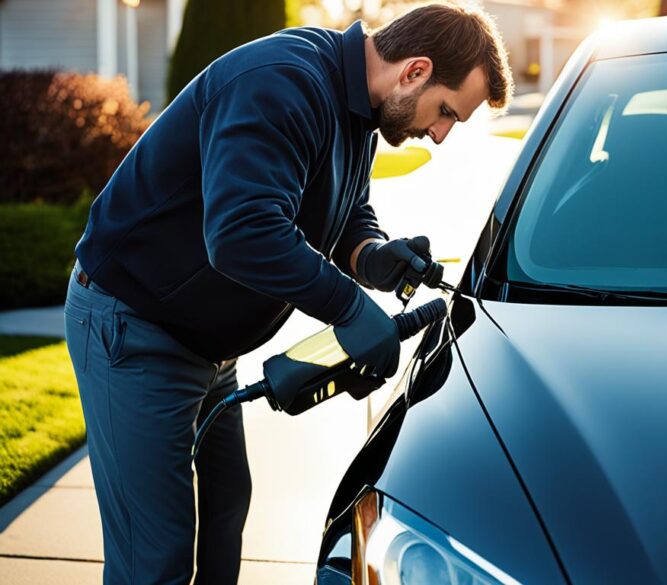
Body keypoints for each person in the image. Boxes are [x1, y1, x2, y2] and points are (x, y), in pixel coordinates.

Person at [62, 3, 513, 583]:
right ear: (415, 71)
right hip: (134, 329)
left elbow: (348, 209)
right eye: (448, 111)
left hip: (206, 346)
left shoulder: (358, 109)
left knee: (225, 513)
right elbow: (242, 232)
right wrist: (349, 307)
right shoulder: (283, 83)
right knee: (154, 556)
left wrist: (373, 256)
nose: (441, 133)